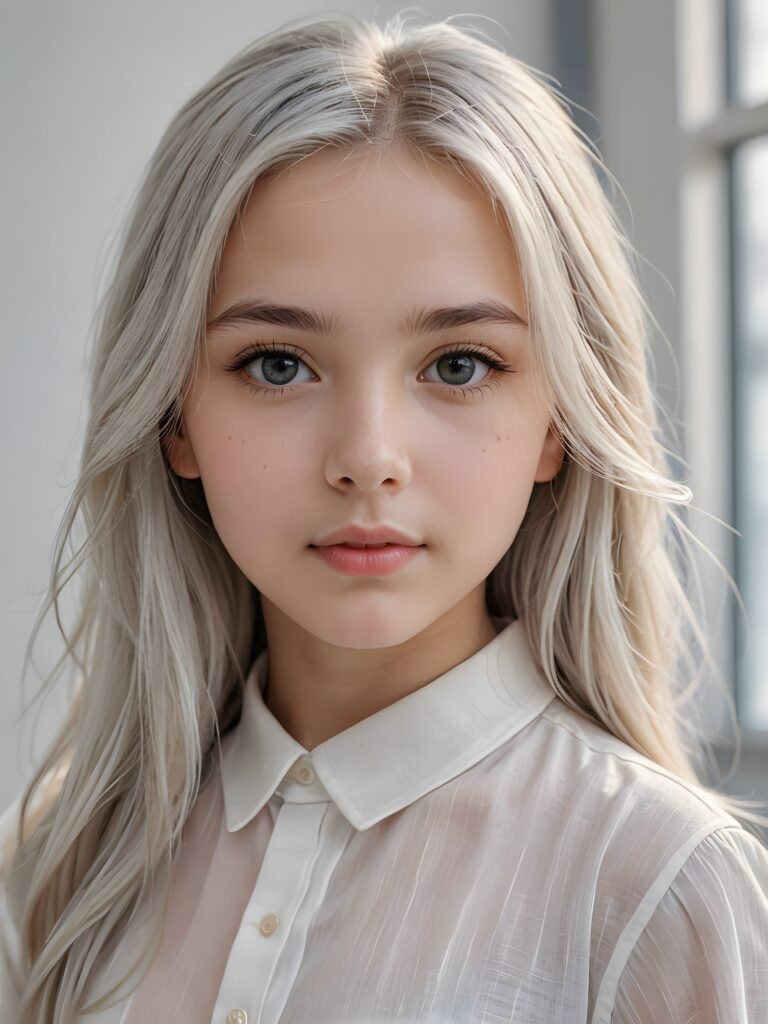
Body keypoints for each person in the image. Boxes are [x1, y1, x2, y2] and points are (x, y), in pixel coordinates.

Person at [2, 11, 767, 1023]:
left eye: (459, 365)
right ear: (173, 416)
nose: (367, 459)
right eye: (277, 363)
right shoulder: (64, 869)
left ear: (559, 423)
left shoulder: (655, 889)